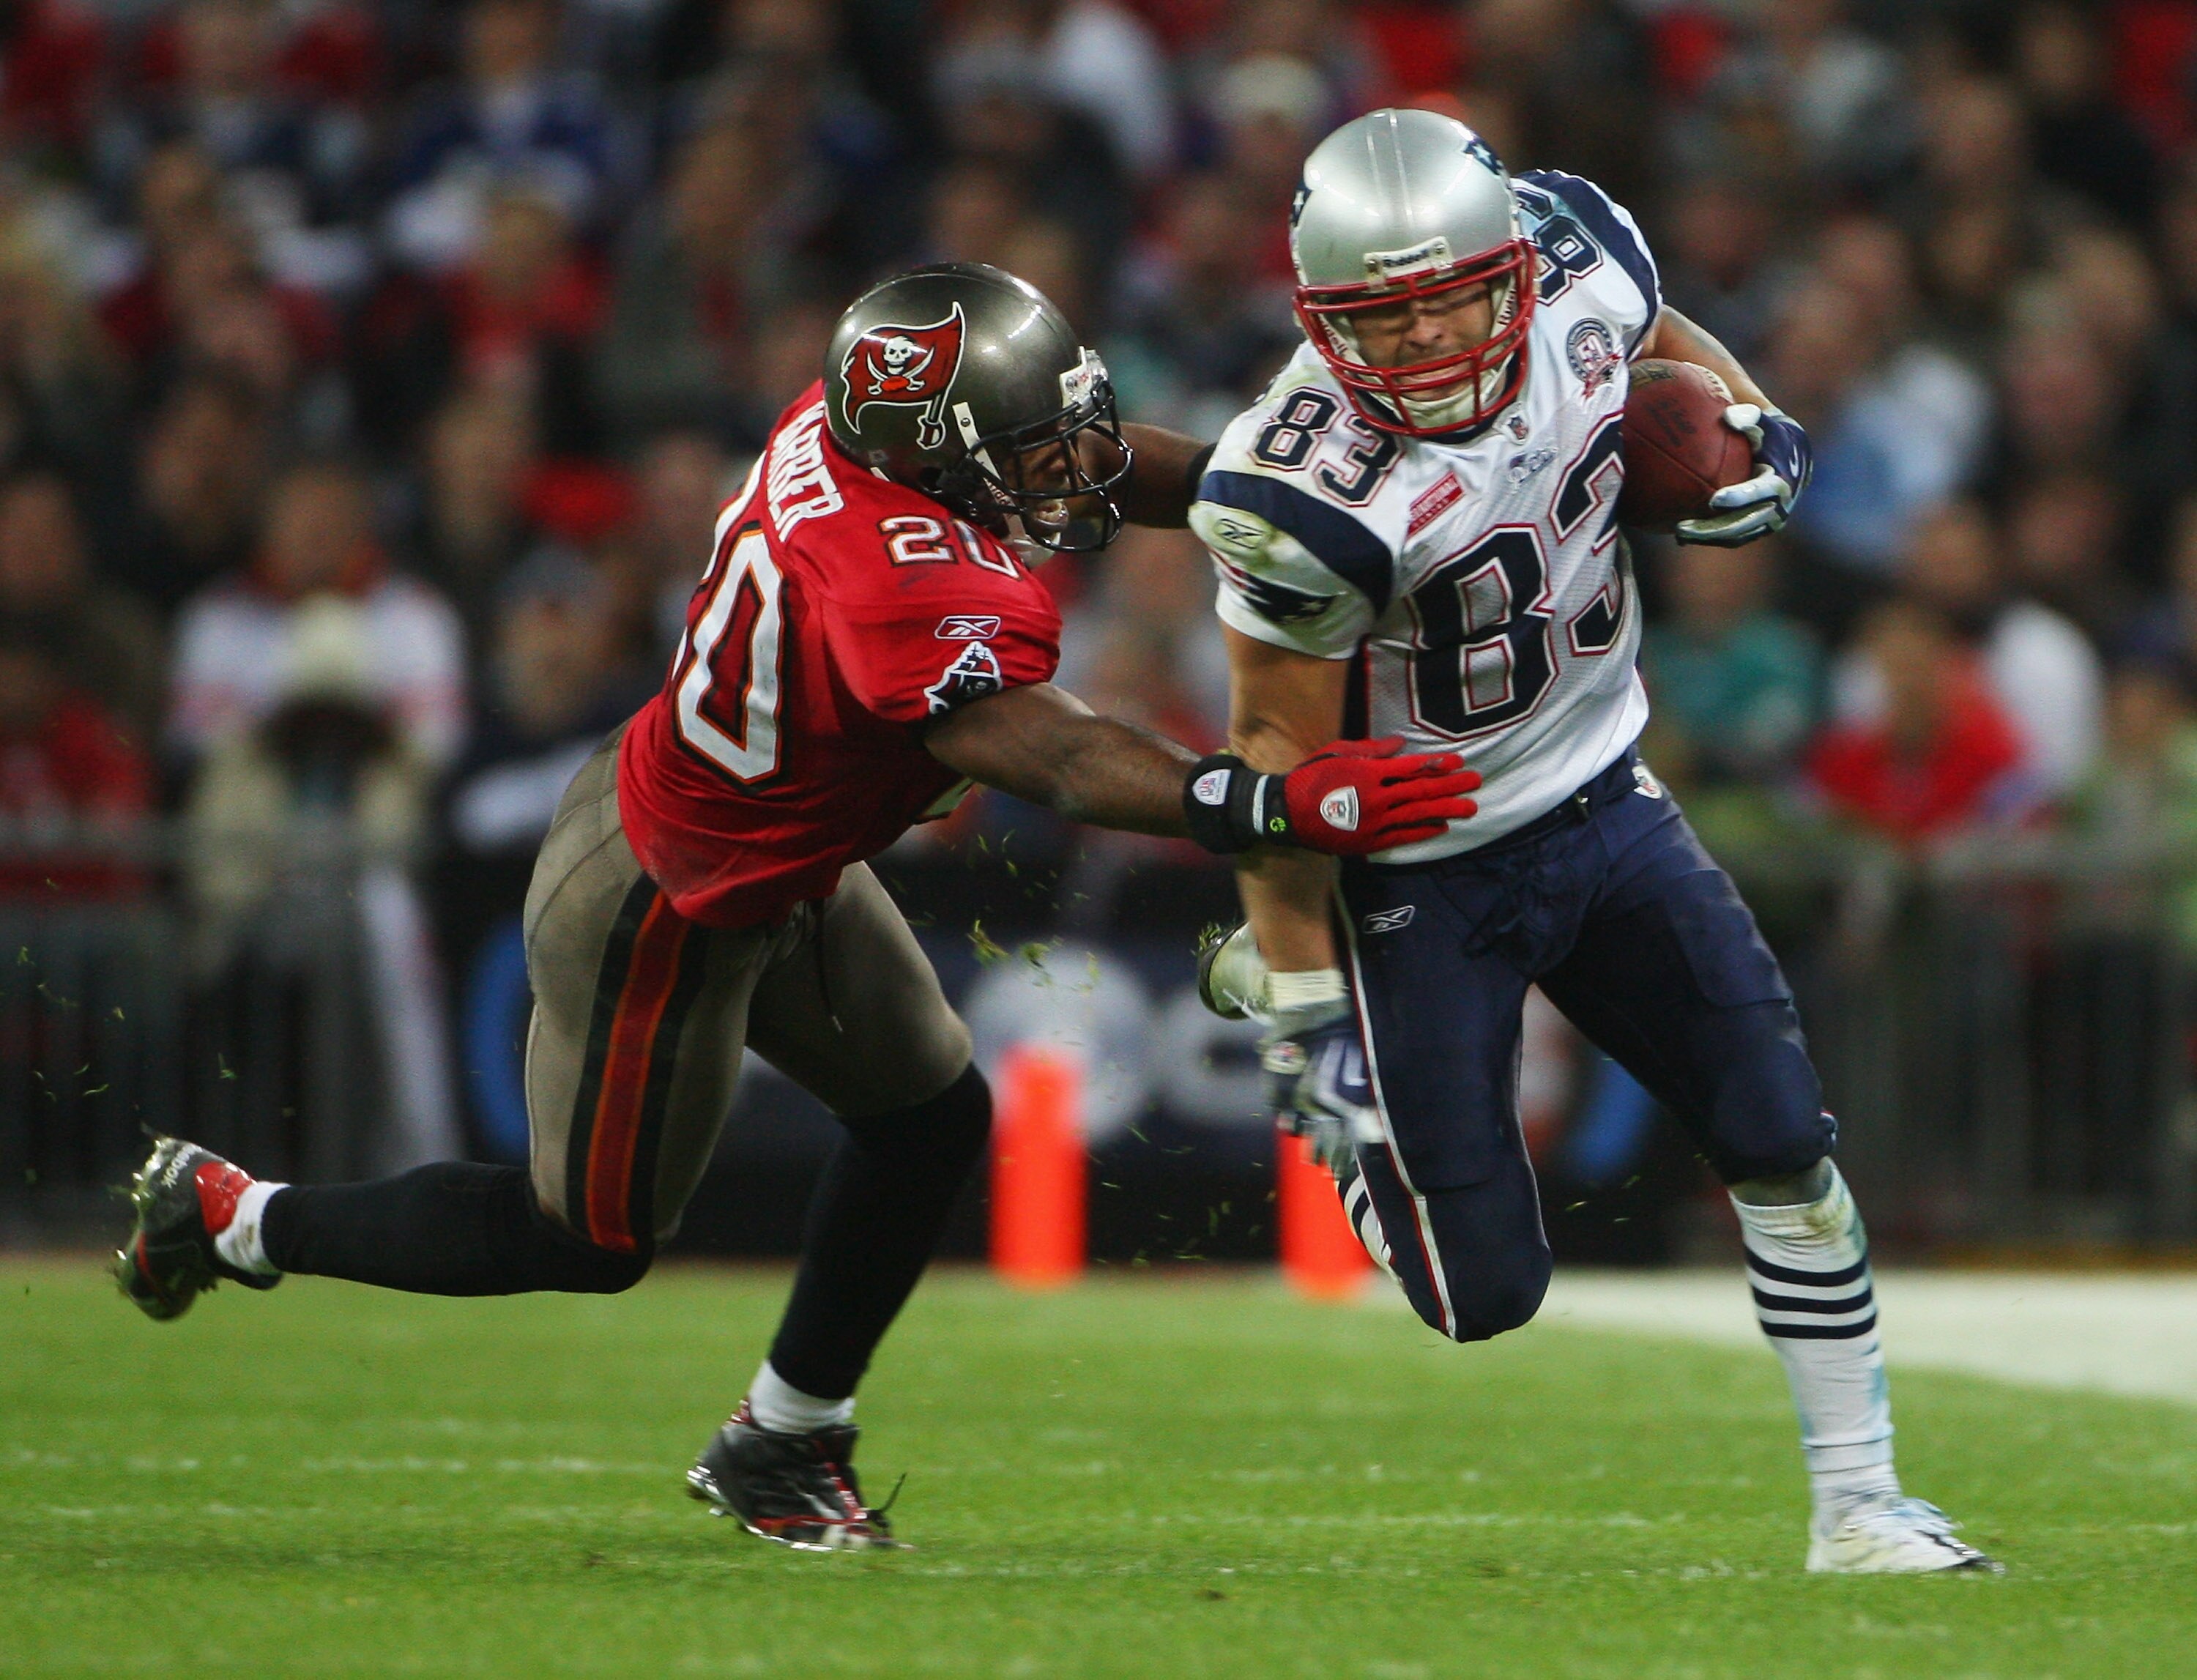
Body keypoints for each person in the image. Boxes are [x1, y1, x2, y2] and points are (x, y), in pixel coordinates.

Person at [113, 264, 1479, 1551]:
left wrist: (1289, 486)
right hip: (670, 891)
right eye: (1032, 447)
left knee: (931, 1116)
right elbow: (1052, 752)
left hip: (781, 852)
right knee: (582, 1238)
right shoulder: (899, 574)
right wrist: (1254, 798)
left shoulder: (863, 429)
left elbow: (1107, 468)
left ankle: (784, 1436)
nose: (1072, 464)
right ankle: (235, 1212)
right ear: (940, 463)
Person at [1188, 109, 1995, 1574]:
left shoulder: (1574, 252)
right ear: (1317, 318)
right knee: (1480, 1292)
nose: (1426, 338)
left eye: (1454, 297)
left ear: (1514, 264)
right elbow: (1277, 763)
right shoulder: (1301, 488)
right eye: (1384, 314)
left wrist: (1749, 424)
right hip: (1419, 867)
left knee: (1781, 1138)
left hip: (1605, 796)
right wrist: (1308, 1007)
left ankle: (1863, 1506)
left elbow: (1658, 342)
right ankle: (1291, 1005)